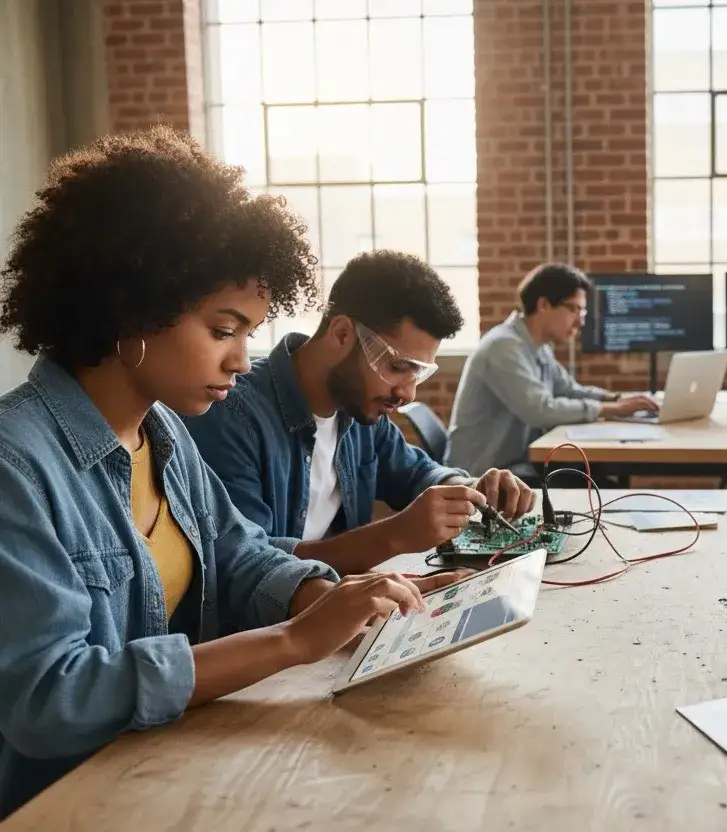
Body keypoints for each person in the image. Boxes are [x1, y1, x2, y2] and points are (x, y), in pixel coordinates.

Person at [0, 126, 457, 818]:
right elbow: (48, 699)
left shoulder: (166, 437)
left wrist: (339, 598)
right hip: (71, 804)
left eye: (249, 333)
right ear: (132, 309)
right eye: (223, 330)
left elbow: (236, 554)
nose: (243, 359)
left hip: (167, 768)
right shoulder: (17, 464)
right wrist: (292, 640)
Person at [182, 250, 535, 577]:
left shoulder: (360, 412)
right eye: (397, 366)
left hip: (338, 606)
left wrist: (467, 488)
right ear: (341, 333)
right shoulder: (231, 415)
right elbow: (247, 568)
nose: (407, 393)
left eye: (417, 374)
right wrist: (392, 537)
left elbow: (414, 472)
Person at [445, 263, 658, 478]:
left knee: (598, 477)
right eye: (574, 309)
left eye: (582, 311)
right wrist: (612, 409)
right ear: (544, 305)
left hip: (514, 465)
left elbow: (567, 389)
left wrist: (616, 398)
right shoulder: (503, 347)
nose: (581, 321)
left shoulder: (537, 346)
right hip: (484, 475)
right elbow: (540, 410)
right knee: (597, 483)